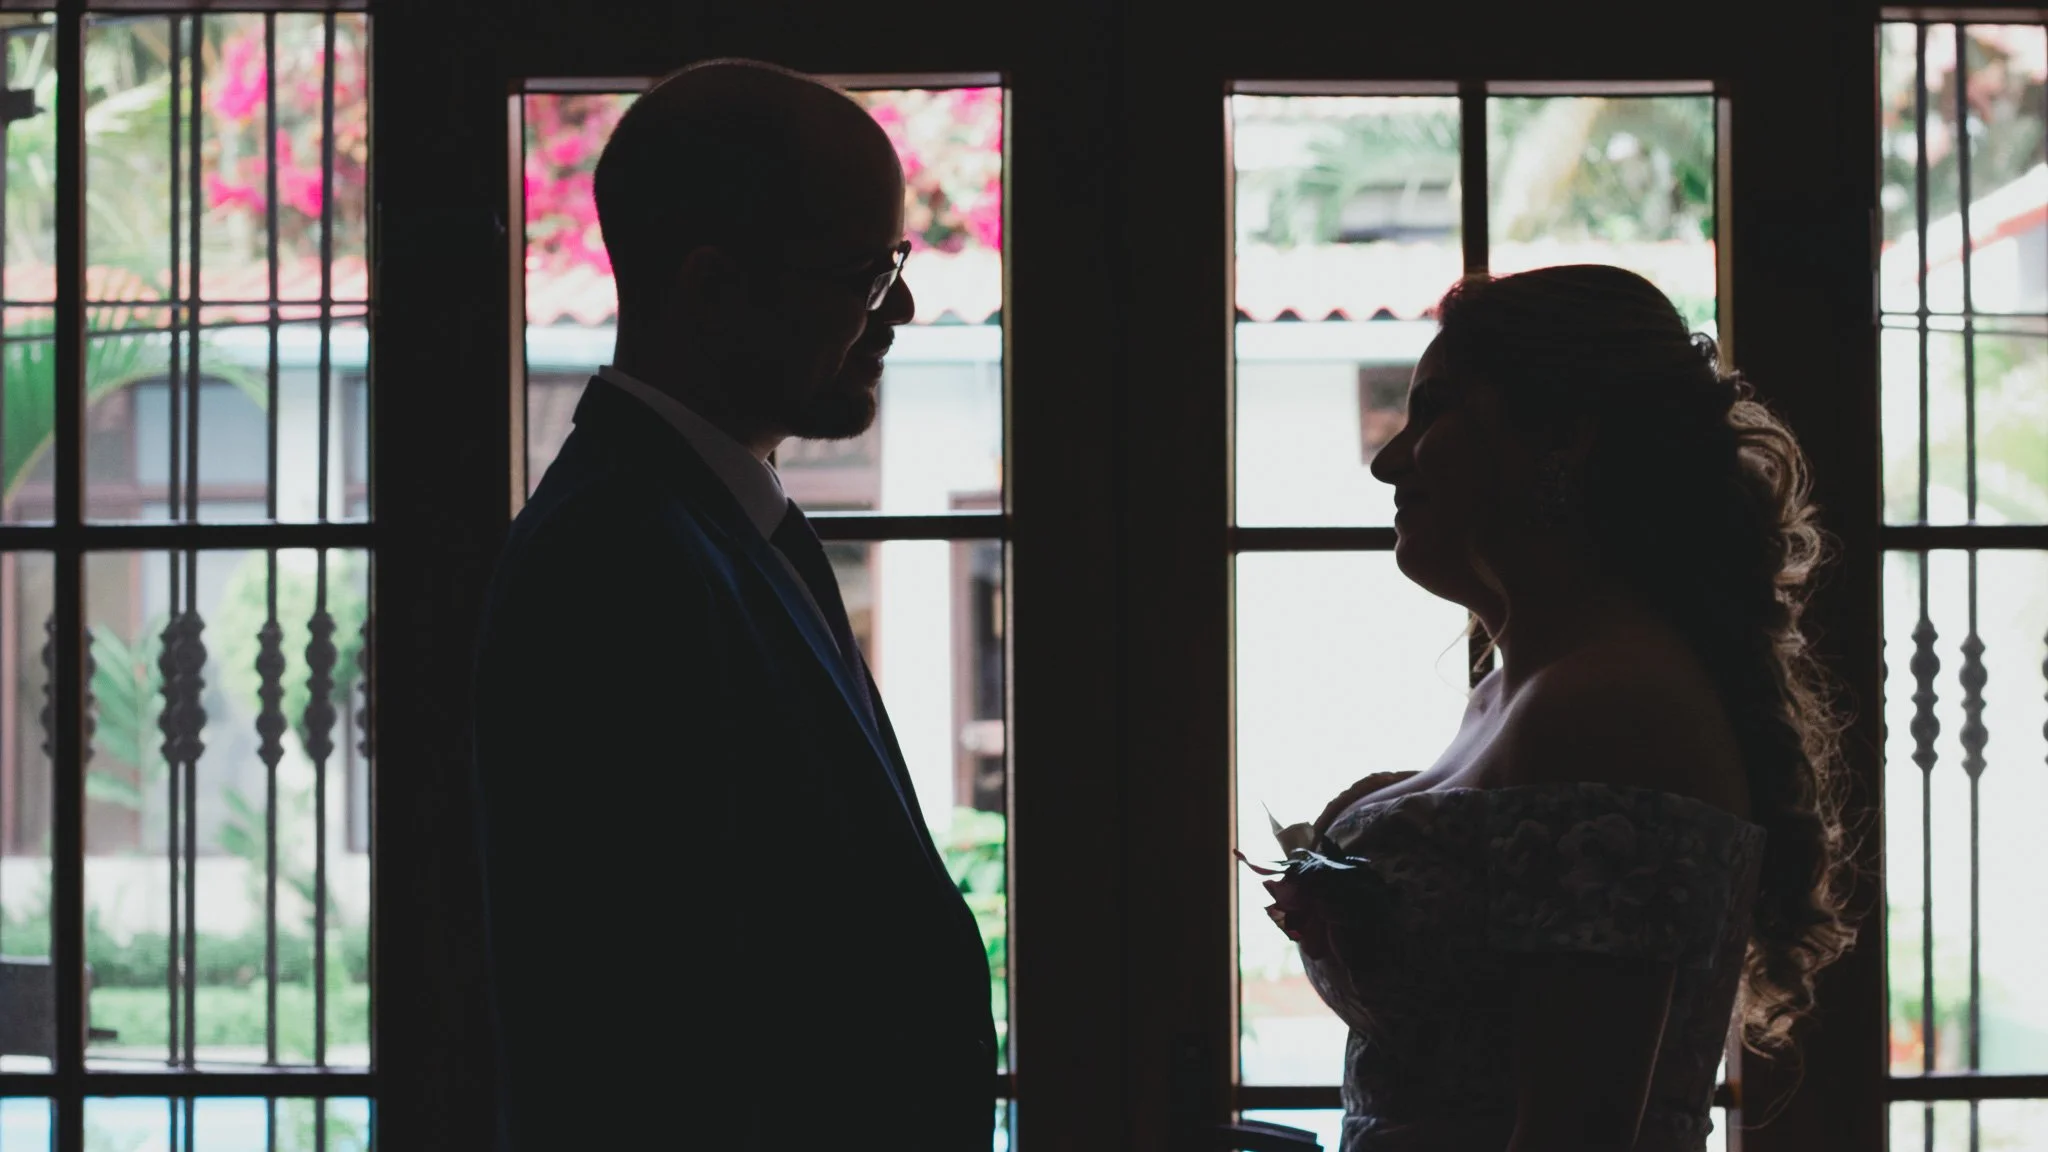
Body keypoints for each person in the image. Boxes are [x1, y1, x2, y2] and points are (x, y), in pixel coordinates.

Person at [470, 59, 995, 1149]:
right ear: (711, 289)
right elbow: (657, 1028)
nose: (895, 308)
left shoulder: (699, 528)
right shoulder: (616, 563)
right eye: (862, 271)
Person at [1262, 265, 1856, 1151]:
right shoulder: (1524, 694)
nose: (1390, 459)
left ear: (1563, 436)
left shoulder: (1612, 706)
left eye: (1435, 411)